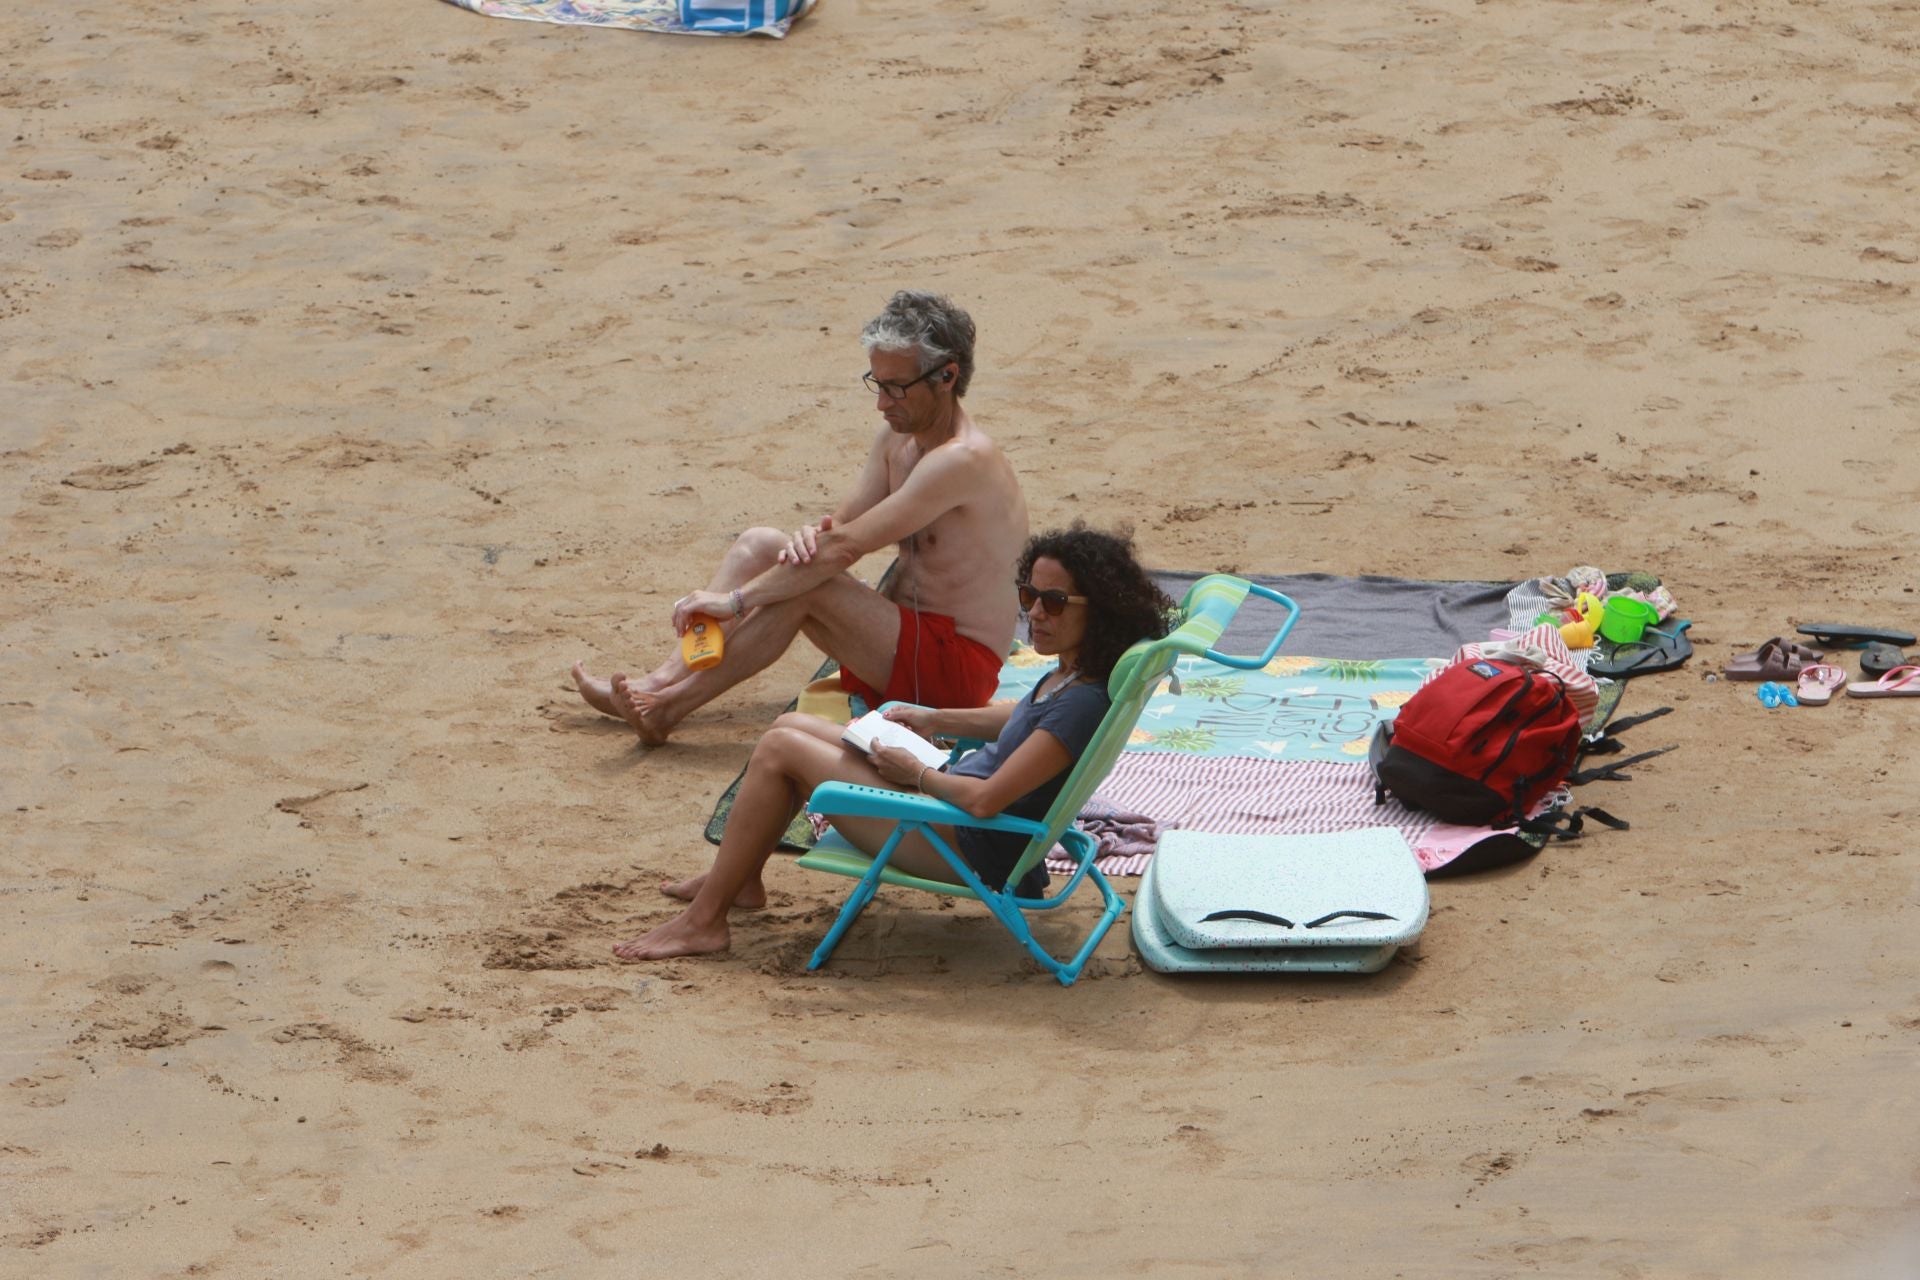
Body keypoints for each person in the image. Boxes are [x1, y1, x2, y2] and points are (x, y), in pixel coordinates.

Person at [612, 524, 1173, 961]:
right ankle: (741, 879)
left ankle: (705, 922)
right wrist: (932, 718)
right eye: (1029, 595)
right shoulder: (1077, 676)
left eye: (1054, 602)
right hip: (955, 818)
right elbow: (1019, 720)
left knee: (782, 751)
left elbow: (986, 801)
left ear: (1098, 609)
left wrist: (916, 773)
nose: (1033, 614)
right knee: (788, 729)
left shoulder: (1080, 701)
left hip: (965, 842)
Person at [572, 291, 1029, 745]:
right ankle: (658, 682)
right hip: (903, 638)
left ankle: (668, 709)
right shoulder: (896, 441)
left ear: (946, 375)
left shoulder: (964, 459)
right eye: (878, 383)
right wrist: (810, 537)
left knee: (807, 589)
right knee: (759, 543)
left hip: (954, 674)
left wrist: (735, 602)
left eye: (897, 388)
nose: (882, 403)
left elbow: (847, 549)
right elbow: (840, 528)